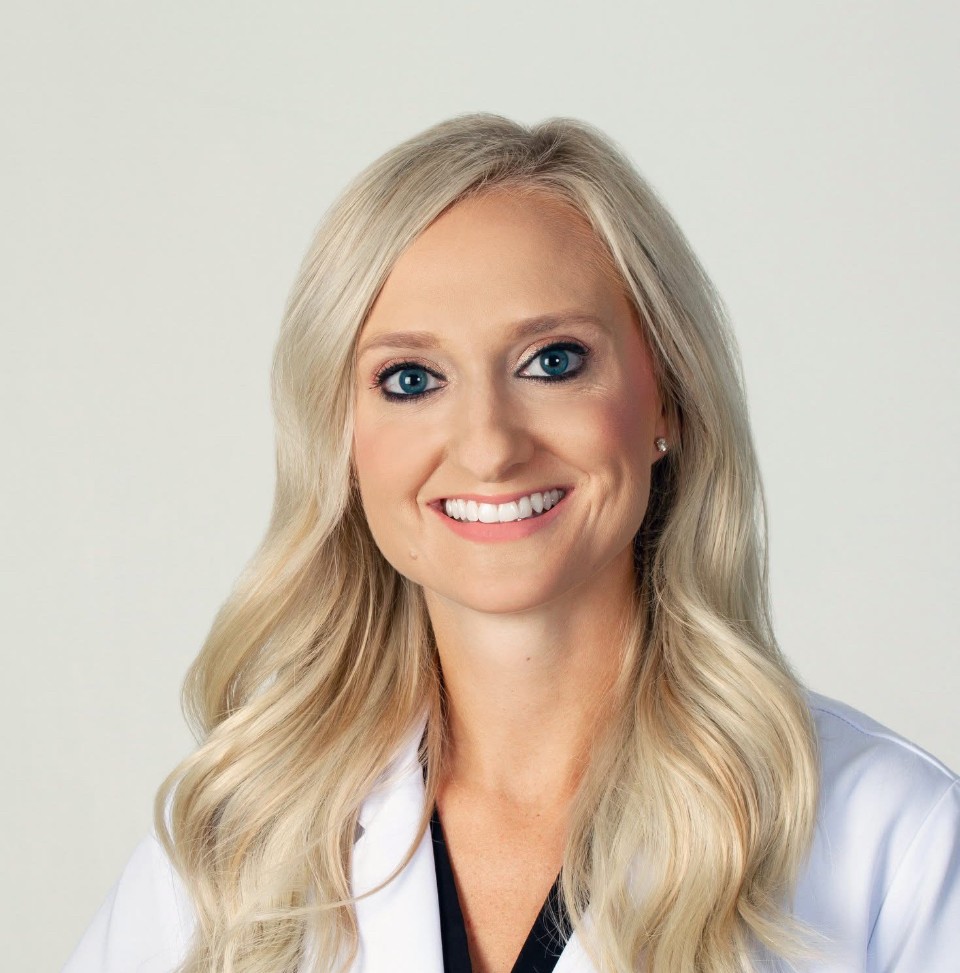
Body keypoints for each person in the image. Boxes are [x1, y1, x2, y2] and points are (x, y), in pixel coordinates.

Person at [63, 113, 959, 973]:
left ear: (668, 400)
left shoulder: (891, 835)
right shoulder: (234, 849)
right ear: (341, 440)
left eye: (554, 361)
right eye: (410, 379)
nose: (490, 445)